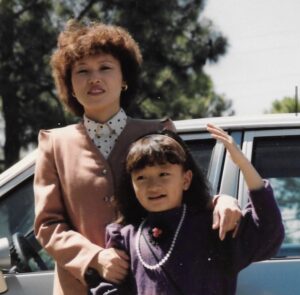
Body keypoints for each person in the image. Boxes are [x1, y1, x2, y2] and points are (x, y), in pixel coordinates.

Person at [34, 19, 242, 295]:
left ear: (124, 80)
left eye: (105, 68)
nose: (94, 78)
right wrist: (94, 257)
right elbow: (47, 225)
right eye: (82, 71)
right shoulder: (54, 144)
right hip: (80, 287)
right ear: (70, 86)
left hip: (156, 283)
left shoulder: (159, 131)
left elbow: (191, 194)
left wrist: (221, 200)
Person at [91, 124, 284, 295]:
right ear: (132, 185)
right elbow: (109, 286)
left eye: (163, 174)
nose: (153, 186)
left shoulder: (213, 227)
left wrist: (243, 164)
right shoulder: (126, 236)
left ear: (186, 179)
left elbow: (267, 232)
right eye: (141, 178)